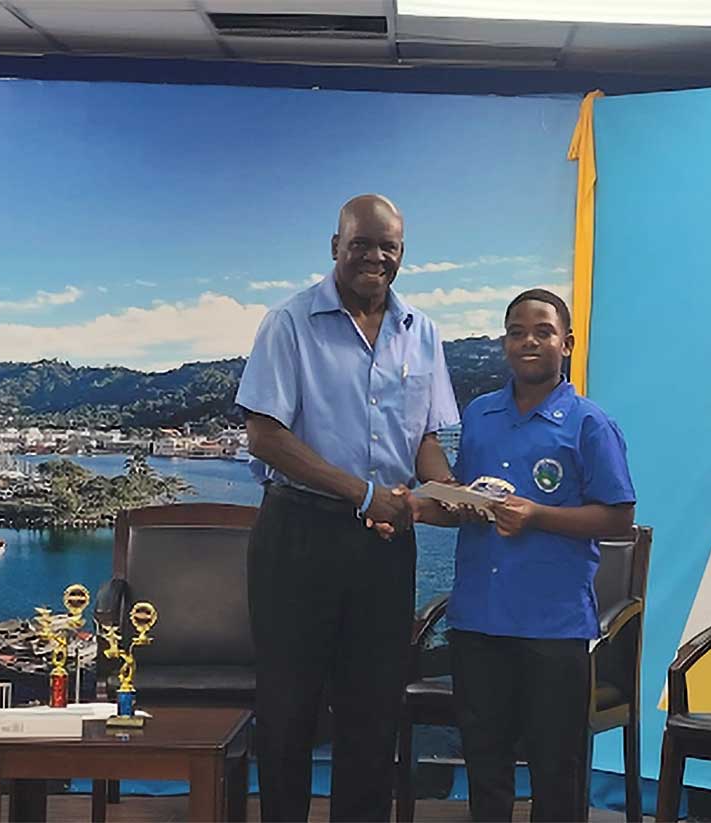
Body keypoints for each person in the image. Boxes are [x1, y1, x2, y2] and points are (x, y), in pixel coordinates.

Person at [235, 194, 459, 821]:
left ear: (401, 255)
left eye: (388, 246)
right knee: (289, 708)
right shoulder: (290, 322)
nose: (375, 256)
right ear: (335, 246)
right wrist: (363, 494)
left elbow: (426, 443)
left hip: (385, 543)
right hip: (298, 535)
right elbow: (265, 435)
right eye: (362, 242)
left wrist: (452, 495)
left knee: (373, 708)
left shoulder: (424, 333)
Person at [414, 288, 636, 821]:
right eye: (516, 332)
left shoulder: (589, 424)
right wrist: (428, 506)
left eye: (542, 332)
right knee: (486, 769)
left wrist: (537, 515)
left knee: (555, 773)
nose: (528, 342)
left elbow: (618, 518)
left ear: (568, 343)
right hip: (478, 621)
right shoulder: (482, 415)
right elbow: (465, 501)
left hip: (552, 628)